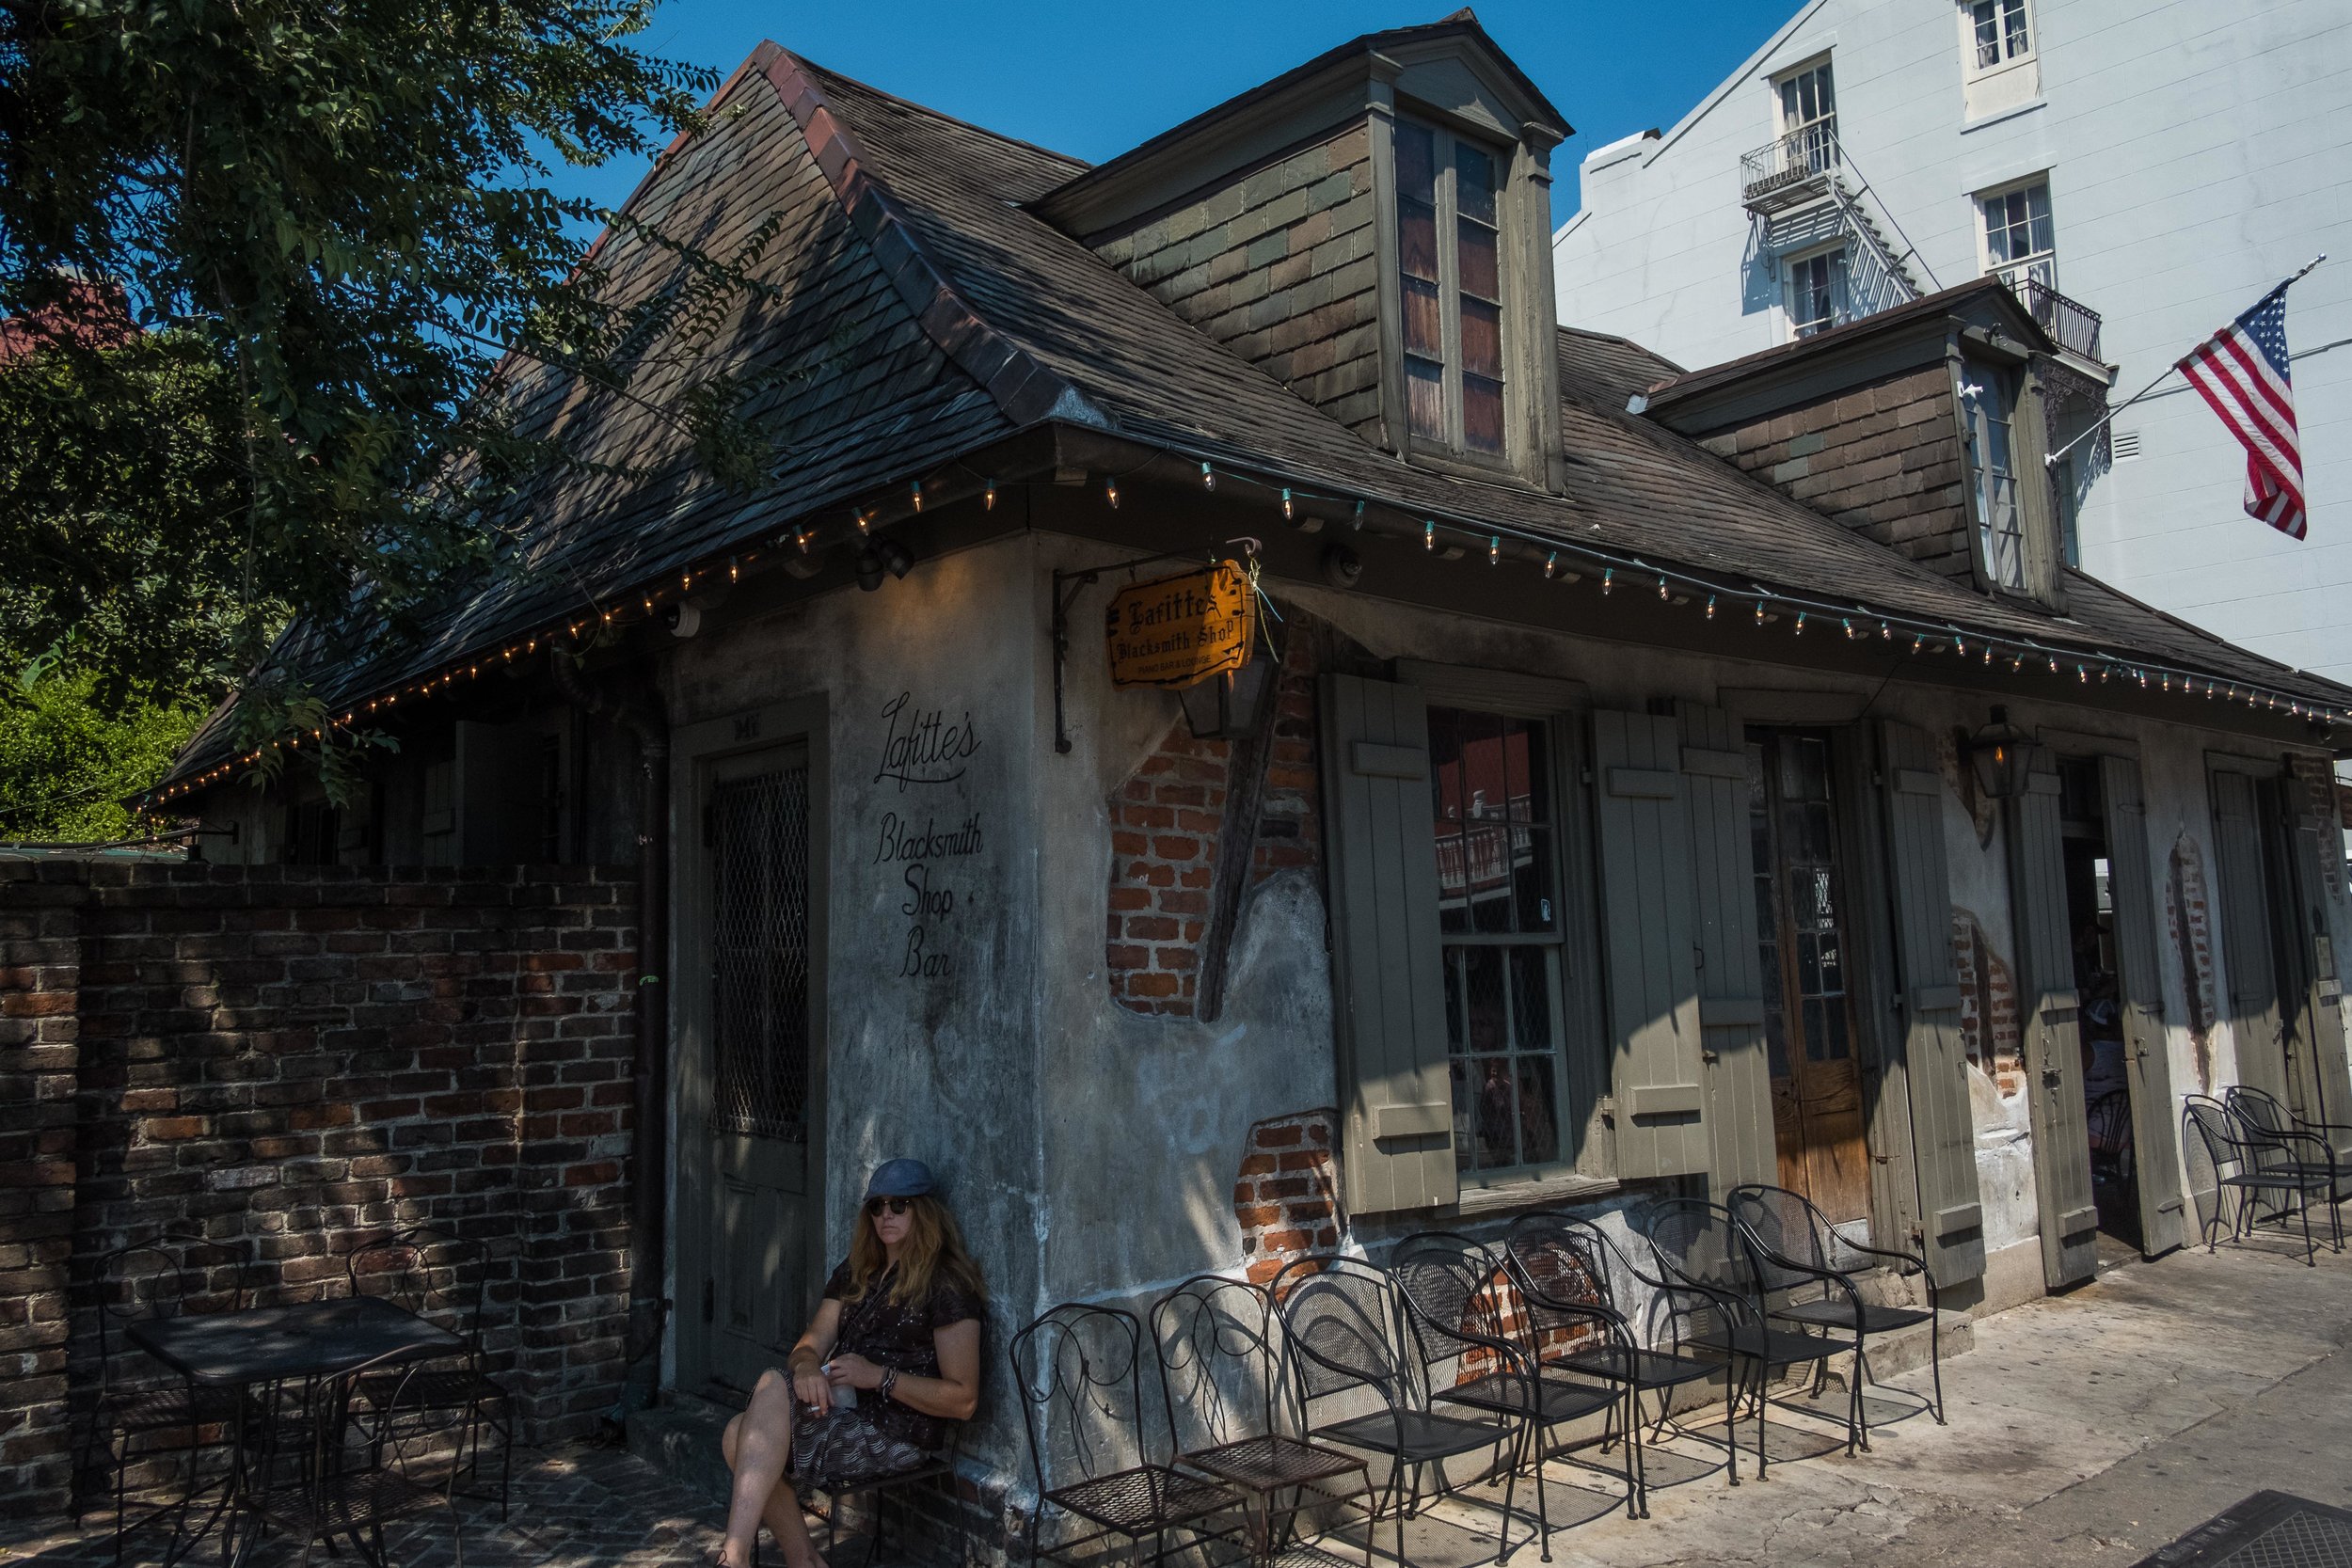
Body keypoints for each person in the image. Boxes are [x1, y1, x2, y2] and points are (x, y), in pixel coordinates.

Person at [716, 1159, 985, 1568]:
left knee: (741, 1433)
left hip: (898, 1433)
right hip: (846, 1412)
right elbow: (811, 1343)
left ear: (925, 1211)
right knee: (759, 1401)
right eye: (877, 1206)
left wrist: (878, 1377)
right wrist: (806, 1366)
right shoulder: (860, 1270)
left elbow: (963, 1400)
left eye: (899, 1205)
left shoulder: (947, 1285)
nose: (886, 1215)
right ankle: (759, 1559)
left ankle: (745, 1558)